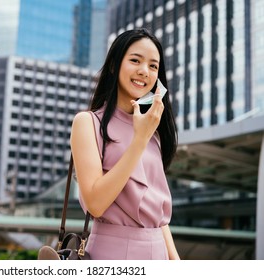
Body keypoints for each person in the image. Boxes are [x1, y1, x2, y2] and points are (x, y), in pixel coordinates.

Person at [70, 28, 180, 260]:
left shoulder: (153, 132)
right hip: (113, 253)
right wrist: (139, 140)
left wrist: (175, 262)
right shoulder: (88, 123)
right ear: (114, 65)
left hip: (158, 252)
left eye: (153, 66)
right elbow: (95, 204)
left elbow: (155, 212)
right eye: (135, 60)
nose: (144, 71)